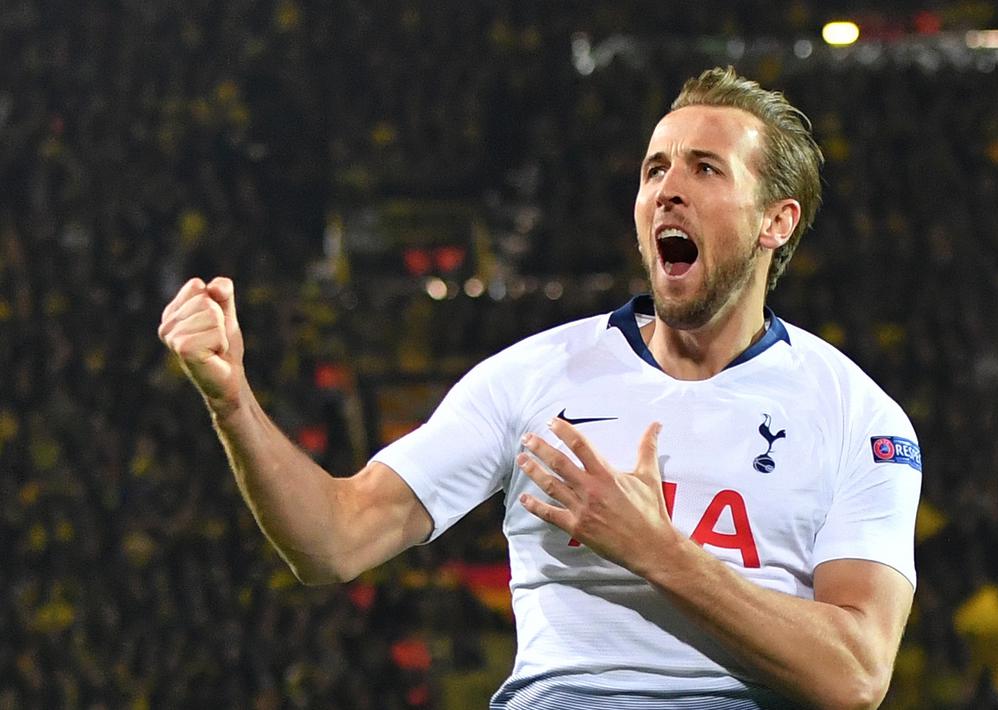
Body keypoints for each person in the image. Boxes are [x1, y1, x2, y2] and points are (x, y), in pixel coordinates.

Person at [158, 66, 921, 709]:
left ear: (775, 222)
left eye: (704, 169)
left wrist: (658, 552)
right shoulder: (534, 375)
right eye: (654, 168)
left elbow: (855, 675)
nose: (666, 190)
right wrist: (233, 404)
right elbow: (334, 540)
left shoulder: (857, 416)